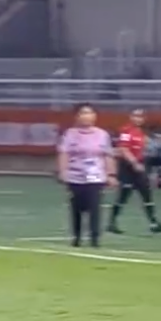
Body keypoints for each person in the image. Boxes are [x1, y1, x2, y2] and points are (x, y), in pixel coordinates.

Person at [57, 103, 114, 248]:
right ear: (77, 116)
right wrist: (63, 171)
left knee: (95, 208)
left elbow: (108, 155)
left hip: (96, 177)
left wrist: (111, 174)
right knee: (77, 208)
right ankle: (77, 237)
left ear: (95, 116)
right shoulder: (70, 134)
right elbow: (64, 153)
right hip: (75, 176)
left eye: (89, 113)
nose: (86, 116)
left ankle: (95, 239)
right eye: (83, 113)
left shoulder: (102, 134)